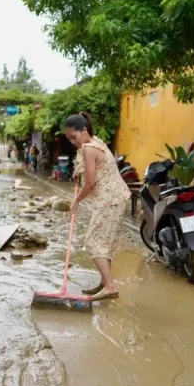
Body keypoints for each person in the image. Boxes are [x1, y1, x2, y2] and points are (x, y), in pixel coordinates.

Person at [66, 112, 131, 300]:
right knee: (104, 242)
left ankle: (110, 286)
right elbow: (94, 165)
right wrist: (79, 170)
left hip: (109, 200)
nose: (72, 142)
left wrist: (76, 201)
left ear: (84, 130)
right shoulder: (97, 142)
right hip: (116, 198)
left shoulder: (88, 149)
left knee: (93, 242)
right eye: (69, 139)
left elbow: (90, 183)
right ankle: (105, 282)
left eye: (74, 137)